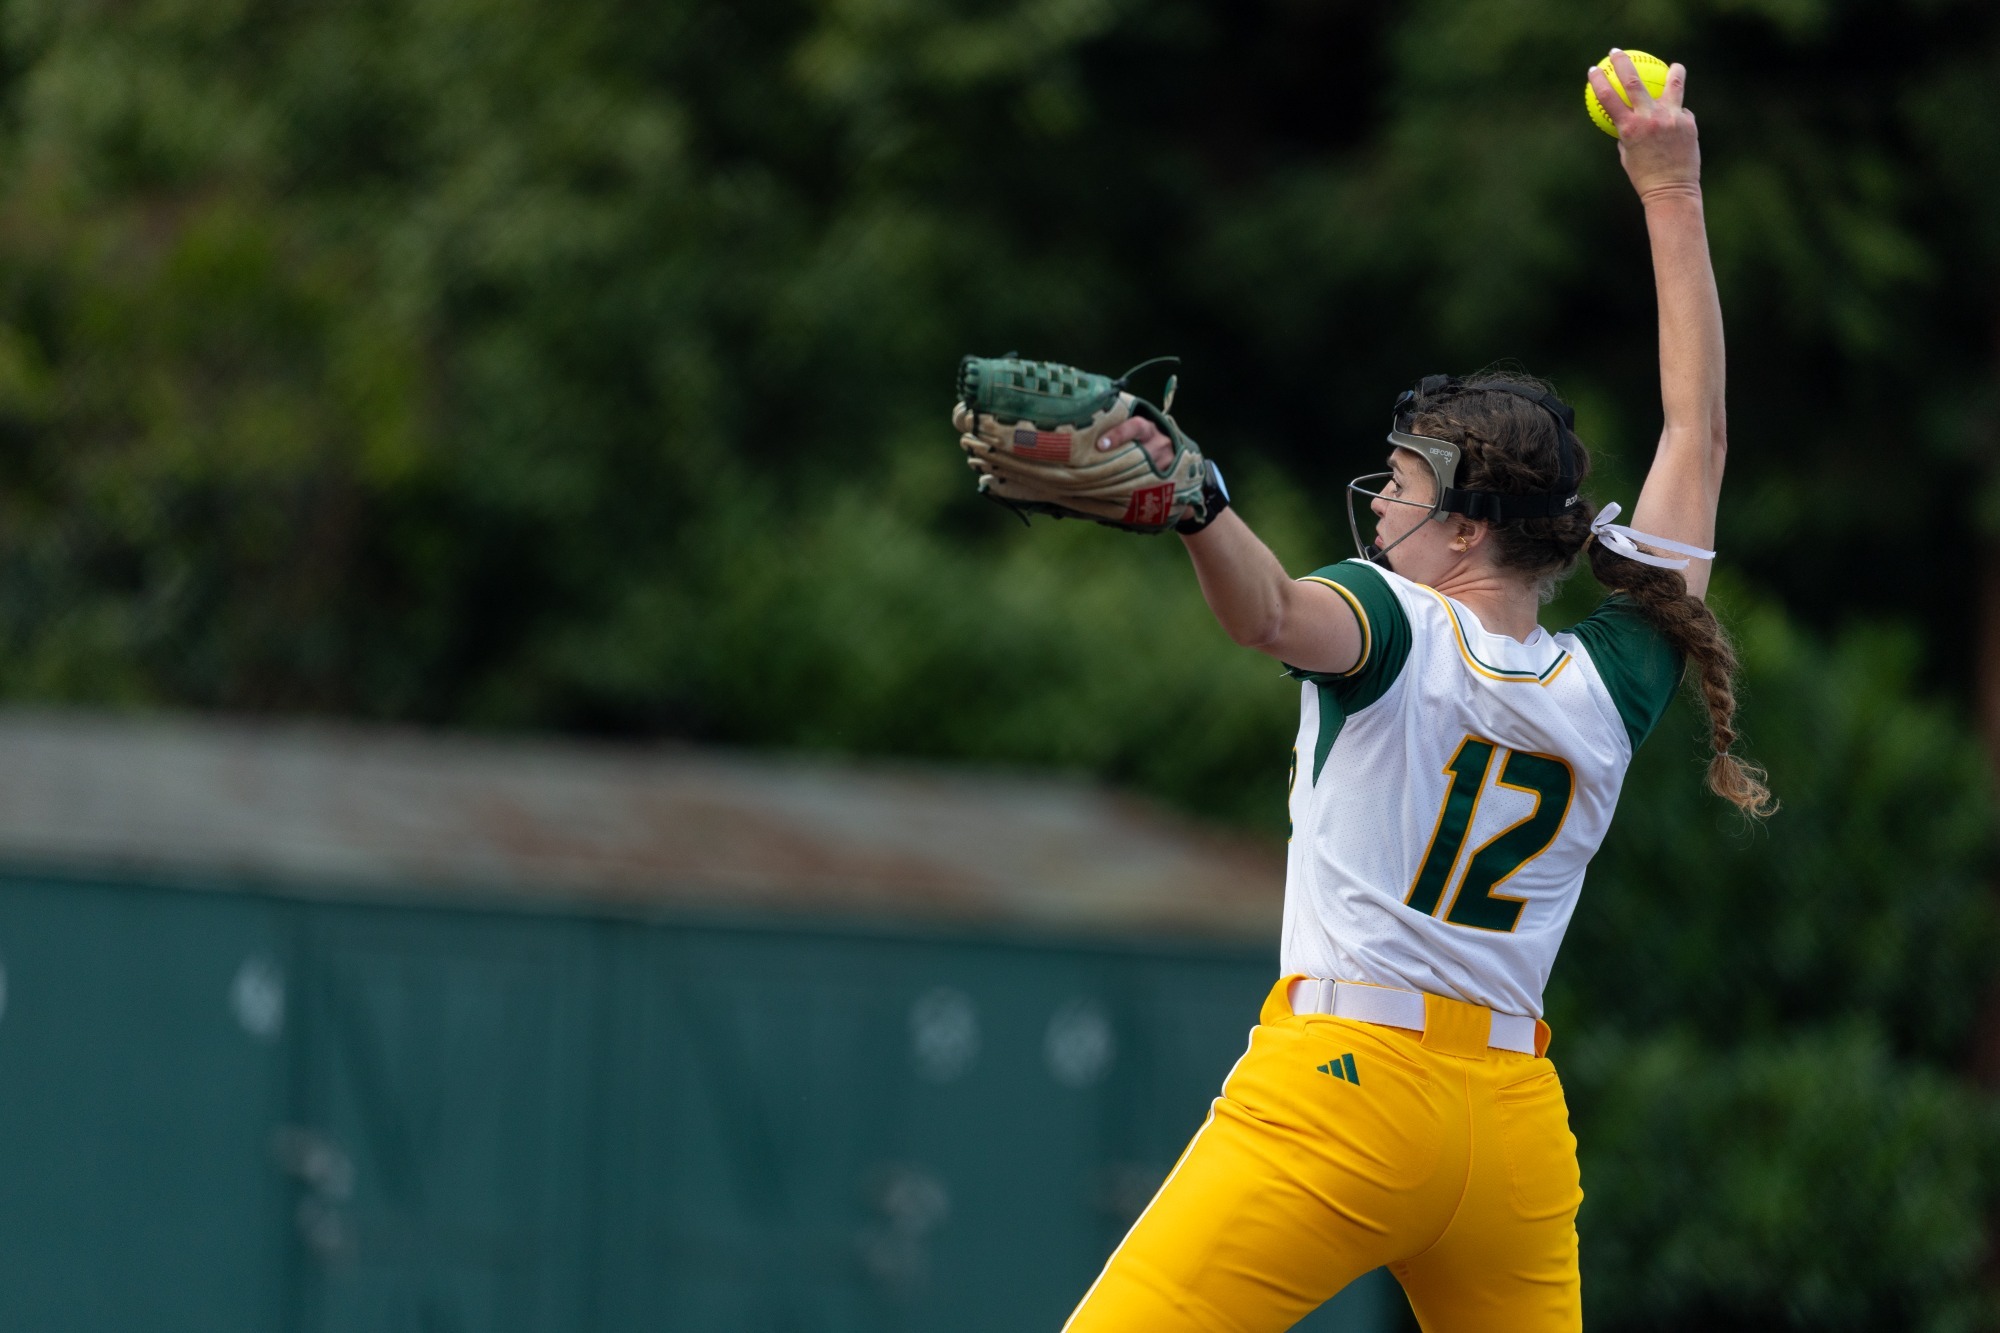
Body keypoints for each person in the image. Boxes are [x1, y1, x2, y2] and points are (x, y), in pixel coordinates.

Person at [1060, 52, 1772, 1333]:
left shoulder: (1396, 621)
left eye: (1397, 487)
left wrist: (1196, 507)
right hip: (1508, 1133)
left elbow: (1266, 610)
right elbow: (1697, 435)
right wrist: (1670, 185)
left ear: (1460, 532)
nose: (1379, 505)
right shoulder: (1612, 677)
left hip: (1340, 1090)